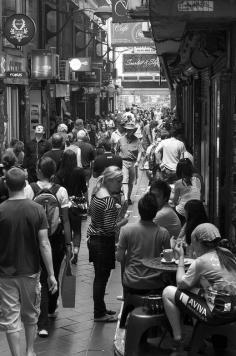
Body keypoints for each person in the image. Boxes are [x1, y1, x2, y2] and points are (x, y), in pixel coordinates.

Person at [0, 167, 57, 356]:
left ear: (6, 185)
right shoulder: (37, 209)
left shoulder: (1, 210)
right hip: (31, 270)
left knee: (10, 317)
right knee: (31, 313)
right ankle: (30, 351)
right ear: (25, 184)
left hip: (5, 272)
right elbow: (44, 244)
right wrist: (51, 274)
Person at [162, 223, 236, 356]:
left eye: (192, 242)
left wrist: (181, 258)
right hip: (233, 311)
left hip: (216, 314)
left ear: (197, 242)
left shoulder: (201, 261)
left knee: (168, 291)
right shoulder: (227, 254)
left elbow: (180, 284)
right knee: (196, 289)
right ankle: (200, 342)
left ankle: (178, 340)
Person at [24, 157, 72, 337]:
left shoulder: (29, 189)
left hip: (36, 239)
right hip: (56, 238)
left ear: (38, 170)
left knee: (42, 279)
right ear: (53, 172)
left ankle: (42, 323)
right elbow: (66, 219)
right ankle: (51, 307)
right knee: (54, 273)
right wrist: (69, 243)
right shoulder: (61, 191)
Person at [87, 166, 129, 322]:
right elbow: (109, 227)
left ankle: (101, 308)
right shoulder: (109, 200)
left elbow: (91, 214)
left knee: (100, 277)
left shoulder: (97, 193)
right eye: (119, 182)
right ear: (110, 181)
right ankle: (99, 313)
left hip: (94, 239)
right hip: (103, 242)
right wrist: (123, 221)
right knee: (101, 278)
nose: (120, 185)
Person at [116, 193, 170, 295]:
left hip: (131, 282)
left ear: (140, 210)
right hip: (155, 283)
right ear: (156, 211)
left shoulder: (126, 230)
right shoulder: (163, 232)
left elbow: (119, 257)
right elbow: (168, 261)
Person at [55, 150, 87, 264]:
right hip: (76, 204)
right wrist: (86, 204)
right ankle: (76, 251)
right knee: (77, 230)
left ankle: (67, 251)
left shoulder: (59, 173)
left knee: (64, 229)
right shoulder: (79, 171)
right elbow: (84, 189)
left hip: (63, 205)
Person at [117, 122, 142, 204]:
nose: (129, 131)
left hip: (133, 163)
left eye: (131, 130)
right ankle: (126, 198)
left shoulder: (137, 140)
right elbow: (116, 151)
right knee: (125, 180)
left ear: (133, 131)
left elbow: (140, 152)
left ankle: (129, 197)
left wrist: (138, 161)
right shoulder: (120, 140)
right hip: (123, 162)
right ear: (126, 130)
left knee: (131, 182)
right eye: (128, 130)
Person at [173, 158, 202, 225]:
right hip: (197, 210)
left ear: (179, 170)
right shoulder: (198, 178)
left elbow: (175, 202)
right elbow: (200, 193)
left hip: (183, 212)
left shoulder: (178, 183)